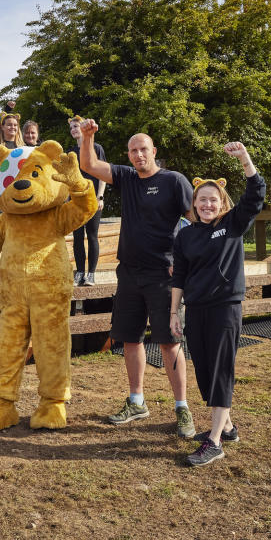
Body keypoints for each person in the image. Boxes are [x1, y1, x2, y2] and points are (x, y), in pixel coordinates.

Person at [78, 118, 196, 438]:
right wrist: (87, 136)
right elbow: (88, 163)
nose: (138, 155)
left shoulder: (174, 181)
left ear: (153, 151)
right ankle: (136, 401)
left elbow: (196, 222)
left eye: (143, 149)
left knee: (170, 344)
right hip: (128, 273)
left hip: (164, 275)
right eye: (132, 151)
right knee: (130, 338)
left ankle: (182, 407)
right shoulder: (127, 178)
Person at [171, 142, 265, 466]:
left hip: (225, 307)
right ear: (194, 203)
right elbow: (179, 277)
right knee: (205, 370)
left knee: (222, 370)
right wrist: (174, 312)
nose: (207, 204)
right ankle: (226, 427)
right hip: (195, 310)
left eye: (213, 199)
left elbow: (256, 193)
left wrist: (244, 159)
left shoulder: (232, 224)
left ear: (221, 202)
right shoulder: (185, 236)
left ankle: (213, 442)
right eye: (202, 200)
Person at [68, 116, 107, 286]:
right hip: (76, 201)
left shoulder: (96, 148)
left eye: (76, 126)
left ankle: (91, 274)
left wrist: (100, 196)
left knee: (92, 235)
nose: (74, 130)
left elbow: (103, 174)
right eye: (71, 128)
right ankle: (80, 272)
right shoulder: (71, 153)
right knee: (77, 237)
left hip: (93, 199)